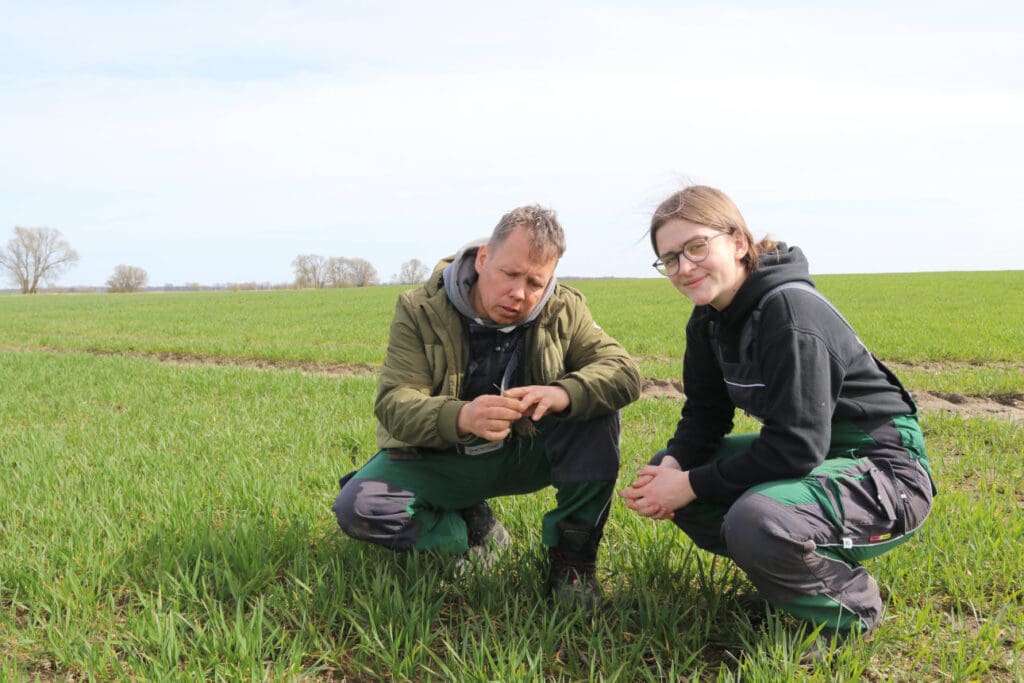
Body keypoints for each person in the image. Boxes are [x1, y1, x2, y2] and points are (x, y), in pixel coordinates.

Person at [619, 185, 936, 646]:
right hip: (822, 453)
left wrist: (687, 485)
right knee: (680, 468)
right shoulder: (708, 319)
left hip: (888, 470)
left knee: (756, 519)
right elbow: (706, 414)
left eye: (696, 246)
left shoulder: (788, 311)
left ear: (738, 243)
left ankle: (851, 610)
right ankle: (793, 580)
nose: (684, 267)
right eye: (670, 259)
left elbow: (795, 447)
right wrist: (672, 468)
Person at [333, 205, 642, 606]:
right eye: (510, 274)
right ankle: (468, 533)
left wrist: (563, 394)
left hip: (528, 450)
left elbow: (624, 372)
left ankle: (573, 566)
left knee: (596, 411)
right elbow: (395, 402)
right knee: (361, 507)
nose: (520, 293)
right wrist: (461, 416)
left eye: (536, 282)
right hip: (447, 452)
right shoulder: (419, 308)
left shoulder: (564, 307)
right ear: (483, 259)